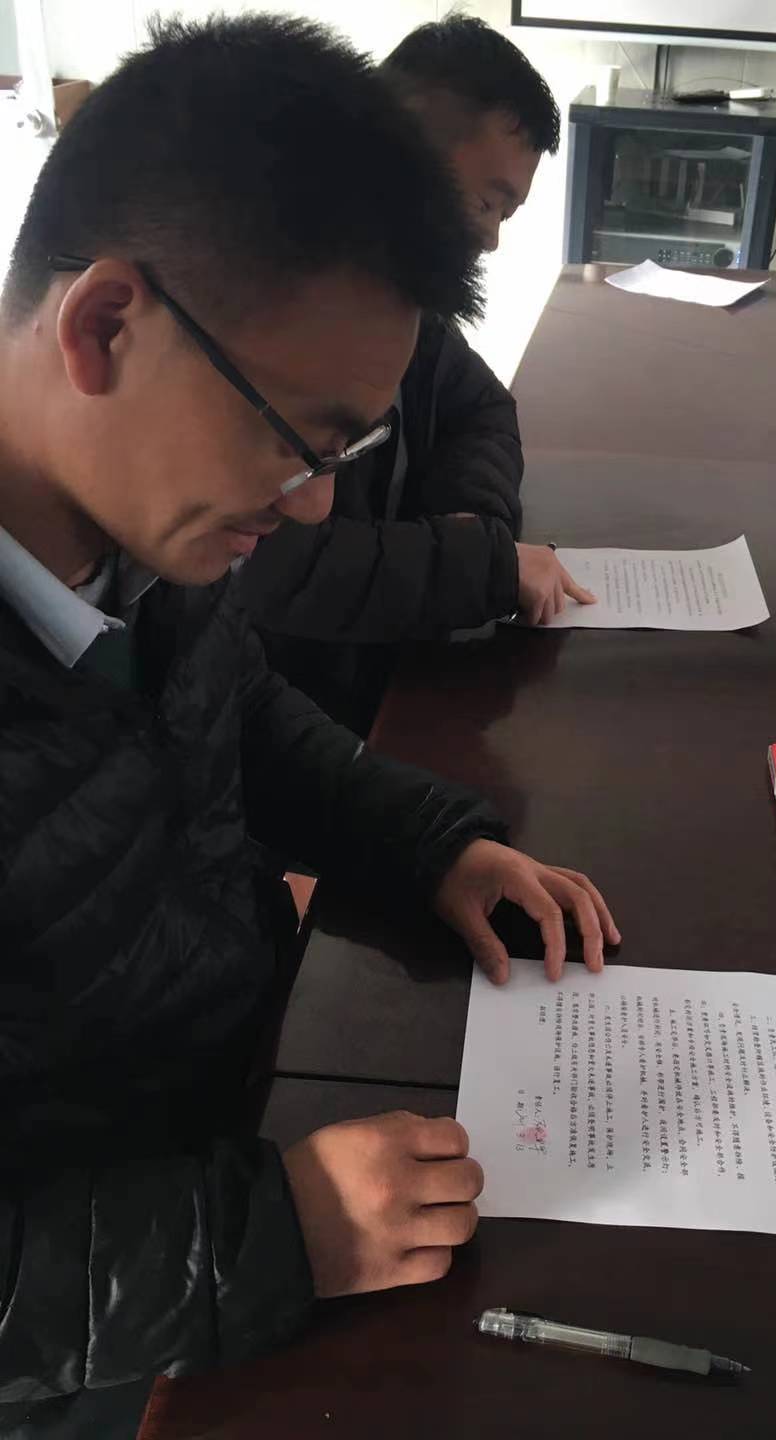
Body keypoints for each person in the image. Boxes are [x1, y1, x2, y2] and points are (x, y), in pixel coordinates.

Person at [0, 15, 618, 1436]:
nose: (320, 503)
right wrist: (266, 1237)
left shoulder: (136, 529)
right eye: (301, 441)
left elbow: (238, 714)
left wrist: (426, 841)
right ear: (105, 326)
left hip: (204, 1132)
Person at [237, 15, 595, 733]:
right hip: (291, 709)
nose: (491, 238)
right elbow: (276, 564)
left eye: (507, 213)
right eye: (487, 201)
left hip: (375, 665)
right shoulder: (276, 302)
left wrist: (470, 523)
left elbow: (482, 409)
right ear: (399, 151)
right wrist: (480, 567)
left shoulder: (406, 298)